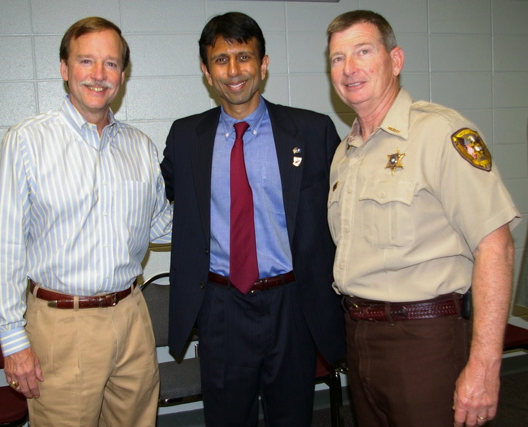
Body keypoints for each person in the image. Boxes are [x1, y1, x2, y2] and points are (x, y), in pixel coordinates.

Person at [326, 10, 521, 427]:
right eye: (337, 58)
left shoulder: (440, 133)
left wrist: (485, 366)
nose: (349, 68)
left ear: (395, 60)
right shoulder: (346, 155)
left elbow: (496, 246)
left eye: (363, 51)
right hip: (360, 338)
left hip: (424, 342)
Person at [0, 16, 172, 426]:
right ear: (65, 69)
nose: (99, 75)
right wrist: (14, 342)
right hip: (61, 324)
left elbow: (160, 224)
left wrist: (226, 204)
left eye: (111, 63)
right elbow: (4, 248)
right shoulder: (27, 141)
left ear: (123, 73)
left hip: (132, 316)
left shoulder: (140, 146)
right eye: (86, 61)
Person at [161, 11, 346, 426]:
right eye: (221, 60)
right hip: (221, 305)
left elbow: (340, 216)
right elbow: (171, 201)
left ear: (263, 64)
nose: (234, 70)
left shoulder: (313, 132)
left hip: (292, 302)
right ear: (207, 73)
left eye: (244, 57)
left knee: (293, 415)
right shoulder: (185, 137)